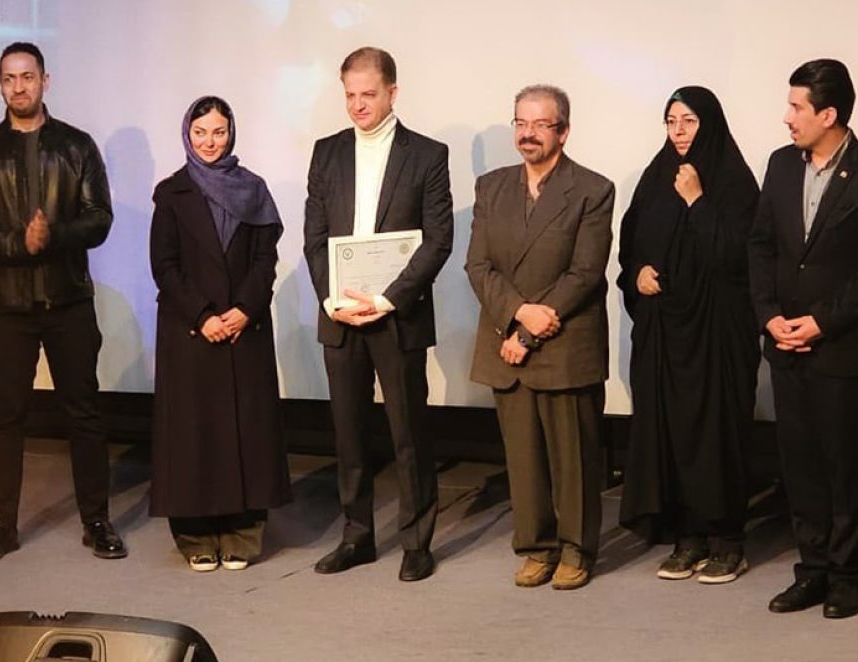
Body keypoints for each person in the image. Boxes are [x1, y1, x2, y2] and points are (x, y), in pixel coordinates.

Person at [0, 42, 126, 563]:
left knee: (84, 412)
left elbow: (100, 218)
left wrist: (53, 238)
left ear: (46, 80)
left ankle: (97, 521)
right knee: (6, 416)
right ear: (0, 85)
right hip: (6, 306)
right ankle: (0, 526)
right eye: (9, 78)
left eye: (28, 76)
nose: (19, 86)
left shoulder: (77, 146)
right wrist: (15, 244)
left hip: (68, 301)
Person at [747, 59, 858, 618]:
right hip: (784, 343)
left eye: (796, 107)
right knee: (801, 467)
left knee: (845, 467)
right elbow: (761, 245)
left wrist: (821, 321)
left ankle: (846, 575)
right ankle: (810, 570)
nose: (786, 117)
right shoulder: (780, 165)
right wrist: (768, 316)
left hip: (845, 347)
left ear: (829, 114)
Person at [303, 47, 453, 582]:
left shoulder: (428, 155)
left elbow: (438, 241)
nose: (358, 105)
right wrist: (332, 299)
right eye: (350, 95)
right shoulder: (326, 153)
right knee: (348, 433)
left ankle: (416, 541)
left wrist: (387, 299)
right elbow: (315, 239)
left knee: (407, 431)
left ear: (393, 91)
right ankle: (357, 536)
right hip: (341, 316)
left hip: (397, 315)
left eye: (369, 94)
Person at [466, 85, 615, 591]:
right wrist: (517, 316)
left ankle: (577, 548)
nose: (527, 134)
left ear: (563, 131)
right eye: (520, 123)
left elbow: (585, 272)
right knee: (524, 458)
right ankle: (535, 546)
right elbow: (478, 265)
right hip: (507, 338)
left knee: (572, 459)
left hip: (564, 341)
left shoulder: (593, 189)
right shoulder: (492, 187)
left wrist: (531, 330)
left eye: (540, 124)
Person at [617, 86, 760, 584]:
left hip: (717, 333)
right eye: (671, 121)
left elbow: (742, 257)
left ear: (711, 125)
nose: (678, 132)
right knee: (670, 432)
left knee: (716, 432)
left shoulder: (734, 182)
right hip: (664, 332)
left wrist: (697, 201)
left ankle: (726, 541)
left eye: (689, 122)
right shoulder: (654, 178)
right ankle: (687, 537)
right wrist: (637, 273)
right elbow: (631, 244)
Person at [149, 96, 292, 572]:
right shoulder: (171, 193)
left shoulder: (254, 189)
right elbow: (164, 266)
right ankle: (195, 536)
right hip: (190, 331)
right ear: (187, 135)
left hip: (242, 330)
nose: (210, 142)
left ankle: (242, 534)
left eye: (219, 132)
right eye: (201, 133)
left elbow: (264, 260)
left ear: (232, 133)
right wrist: (204, 315)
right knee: (194, 434)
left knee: (245, 433)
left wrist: (245, 310)